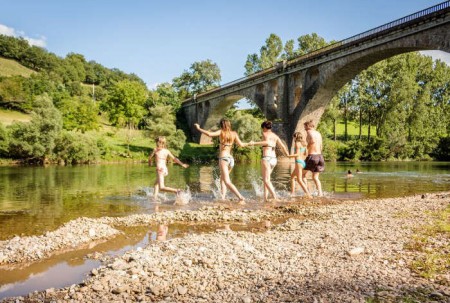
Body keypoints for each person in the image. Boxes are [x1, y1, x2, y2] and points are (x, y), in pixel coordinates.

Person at [194, 118, 248, 204]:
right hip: (231, 159)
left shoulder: (221, 132)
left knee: (227, 181)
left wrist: (198, 128)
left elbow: (209, 134)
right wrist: (250, 143)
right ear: (229, 124)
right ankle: (222, 197)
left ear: (221, 125)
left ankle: (241, 197)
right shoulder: (234, 133)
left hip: (224, 158)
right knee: (222, 179)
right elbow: (241, 144)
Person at [249, 121, 289, 202]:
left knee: (266, 180)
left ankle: (275, 197)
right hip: (274, 159)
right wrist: (287, 154)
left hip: (266, 158)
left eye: (262, 129)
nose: (262, 130)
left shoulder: (265, 134)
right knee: (266, 179)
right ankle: (265, 198)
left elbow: (266, 142)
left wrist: (254, 143)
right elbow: (282, 146)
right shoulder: (275, 136)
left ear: (264, 127)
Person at [301, 120, 325, 196]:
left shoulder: (309, 132)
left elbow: (312, 141)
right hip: (320, 157)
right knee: (315, 177)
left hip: (312, 156)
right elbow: (321, 146)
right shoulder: (318, 133)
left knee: (302, 174)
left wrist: (305, 149)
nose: (305, 129)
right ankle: (320, 193)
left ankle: (307, 192)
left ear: (309, 126)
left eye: (305, 127)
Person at [288, 132, 311, 197]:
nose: (293, 138)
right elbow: (305, 154)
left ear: (295, 137)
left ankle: (308, 194)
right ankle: (292, 193)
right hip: (303, 162)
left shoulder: (297, 144)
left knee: (299, 179)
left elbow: (297, 154)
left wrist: (289, 156)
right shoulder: (303, 144)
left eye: (293, 137)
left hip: (298, 162)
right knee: (292, 177)